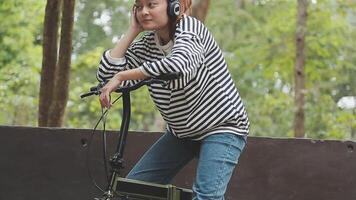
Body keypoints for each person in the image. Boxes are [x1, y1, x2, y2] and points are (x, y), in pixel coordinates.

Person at [97, 0, 250, 199]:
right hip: (182, 133)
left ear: (174, 6)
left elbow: (178, 66)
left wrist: (122, 76)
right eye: (139, 6)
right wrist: (132, 30)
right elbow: (106, 78)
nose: (144, 12)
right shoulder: (146, 45)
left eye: (151, 5)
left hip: (222, 128)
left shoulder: (191, 29)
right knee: (134, 189)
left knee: (206, 196)